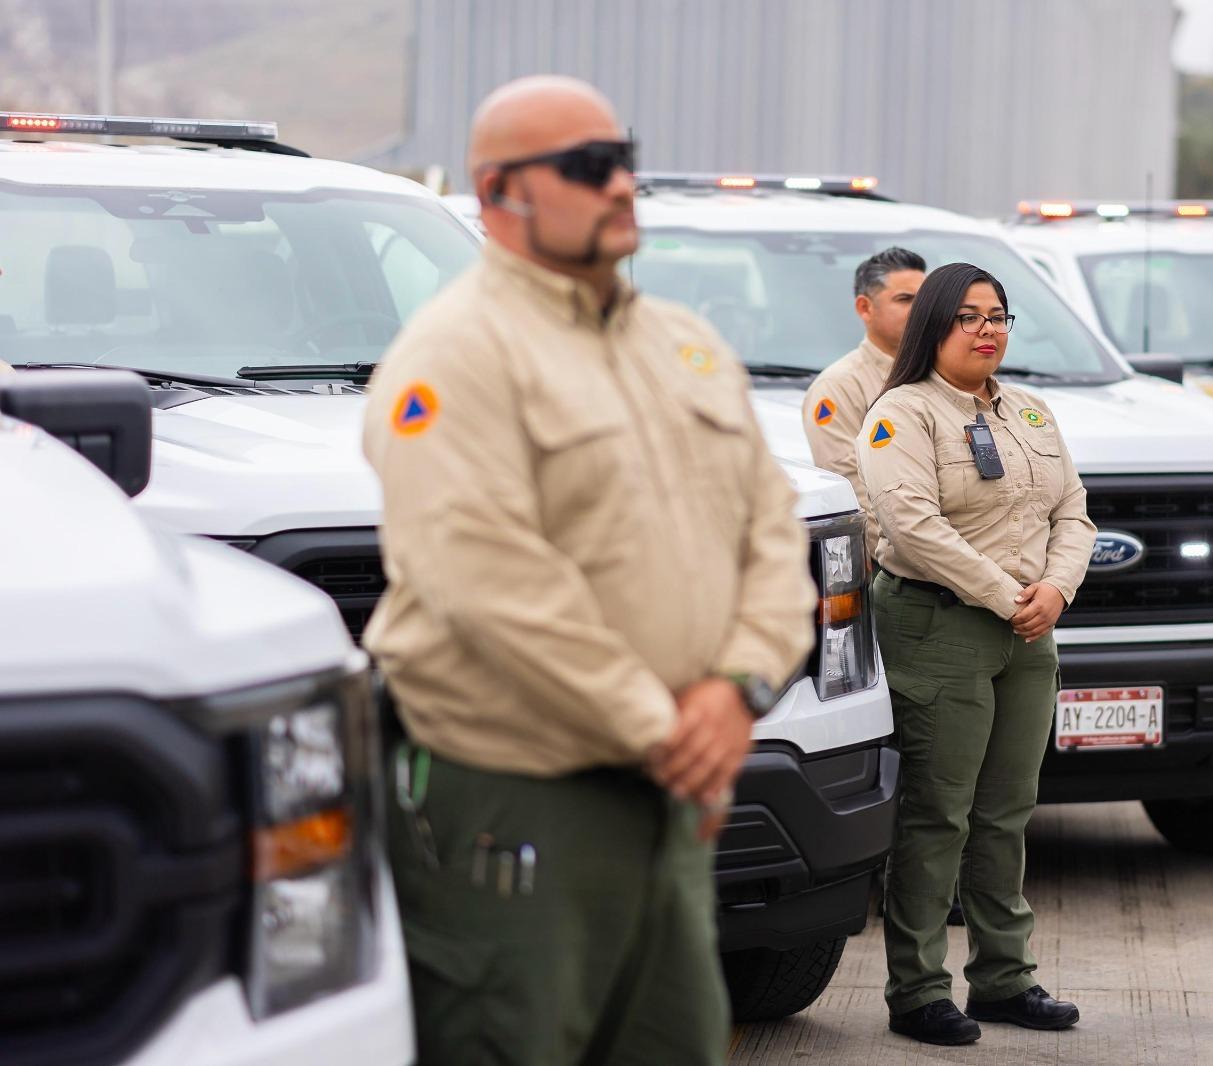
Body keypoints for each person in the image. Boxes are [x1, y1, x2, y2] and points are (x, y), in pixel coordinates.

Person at [362, 76, 816, 1065]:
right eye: (584, 166)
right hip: (522, 796)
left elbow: (773, 530)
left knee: (676, 1041)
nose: (619, 185)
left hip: (674, 789)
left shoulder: (682, 345)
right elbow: (484, 582)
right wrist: (670, 732)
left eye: (624, 158)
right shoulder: (454, 356)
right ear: (497, 194)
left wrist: (738, 690)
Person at [857, 262, 1096, 1046]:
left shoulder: (1028, 412)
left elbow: (1074, 513)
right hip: (941, 627)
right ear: (933, 324)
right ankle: (919, 991)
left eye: (999, 316)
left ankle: (1003, 979)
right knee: (938, 815)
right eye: (969, 317)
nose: (989, 329)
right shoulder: (903, 414)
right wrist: (1008, 593)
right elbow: (913, 527)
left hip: (1028, 631)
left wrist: (1055, 591)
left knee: (1006, 812)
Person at [802, 245, 926, 556]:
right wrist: (924, 562)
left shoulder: (945, 377)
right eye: (904, 300)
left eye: (924, 301)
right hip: (899, 571)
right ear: (865, 308)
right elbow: (855, 496)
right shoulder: (839, 386)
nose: (920, 311)